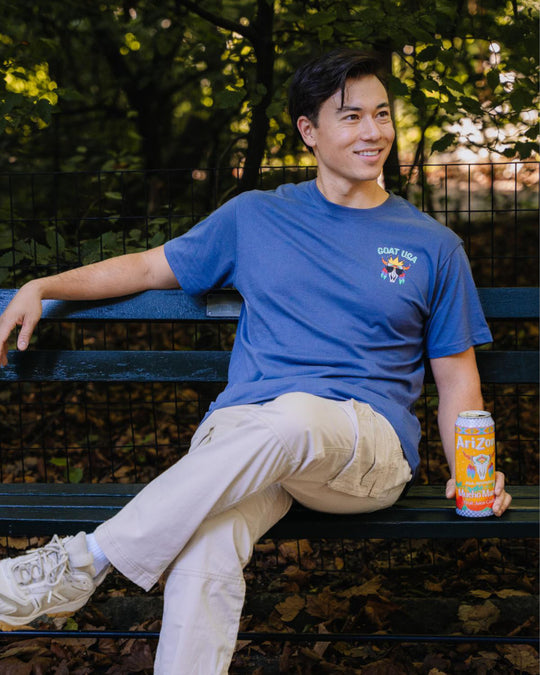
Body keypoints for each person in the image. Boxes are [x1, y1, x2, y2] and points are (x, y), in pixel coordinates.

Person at [0, 49, 511, 673]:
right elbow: (146, 266)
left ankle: (90, 560)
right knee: (207, 545)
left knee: (294, 417)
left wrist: (469, 471)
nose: (373, 132)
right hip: (247, 434)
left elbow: (457, 379)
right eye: (350, 117)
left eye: (381, 115)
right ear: (308, 131)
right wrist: (44, 285)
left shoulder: (432, 244)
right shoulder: (255, 216)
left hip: (360, 449)